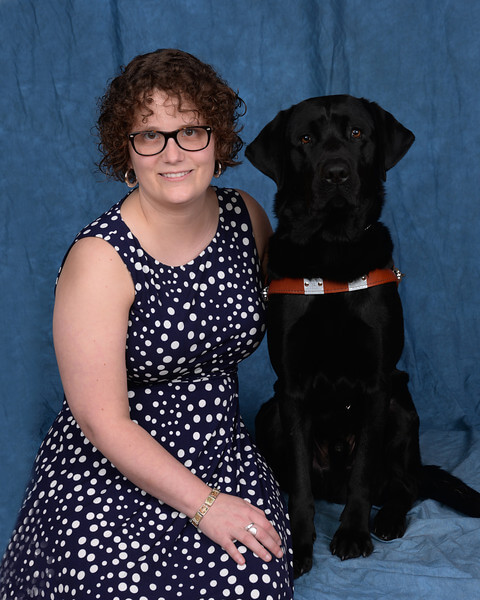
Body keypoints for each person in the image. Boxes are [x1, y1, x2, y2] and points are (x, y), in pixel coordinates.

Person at [0, 49, 294, 599]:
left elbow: (298, 308)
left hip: (220, 449)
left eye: (190, 132)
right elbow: (102, 423)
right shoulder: (100, 258)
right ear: (126, 150)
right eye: (149, 136)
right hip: (112, 461)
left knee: (251, 580)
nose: (172, 153)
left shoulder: (246, 217)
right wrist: (206, 506)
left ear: (218, 140)